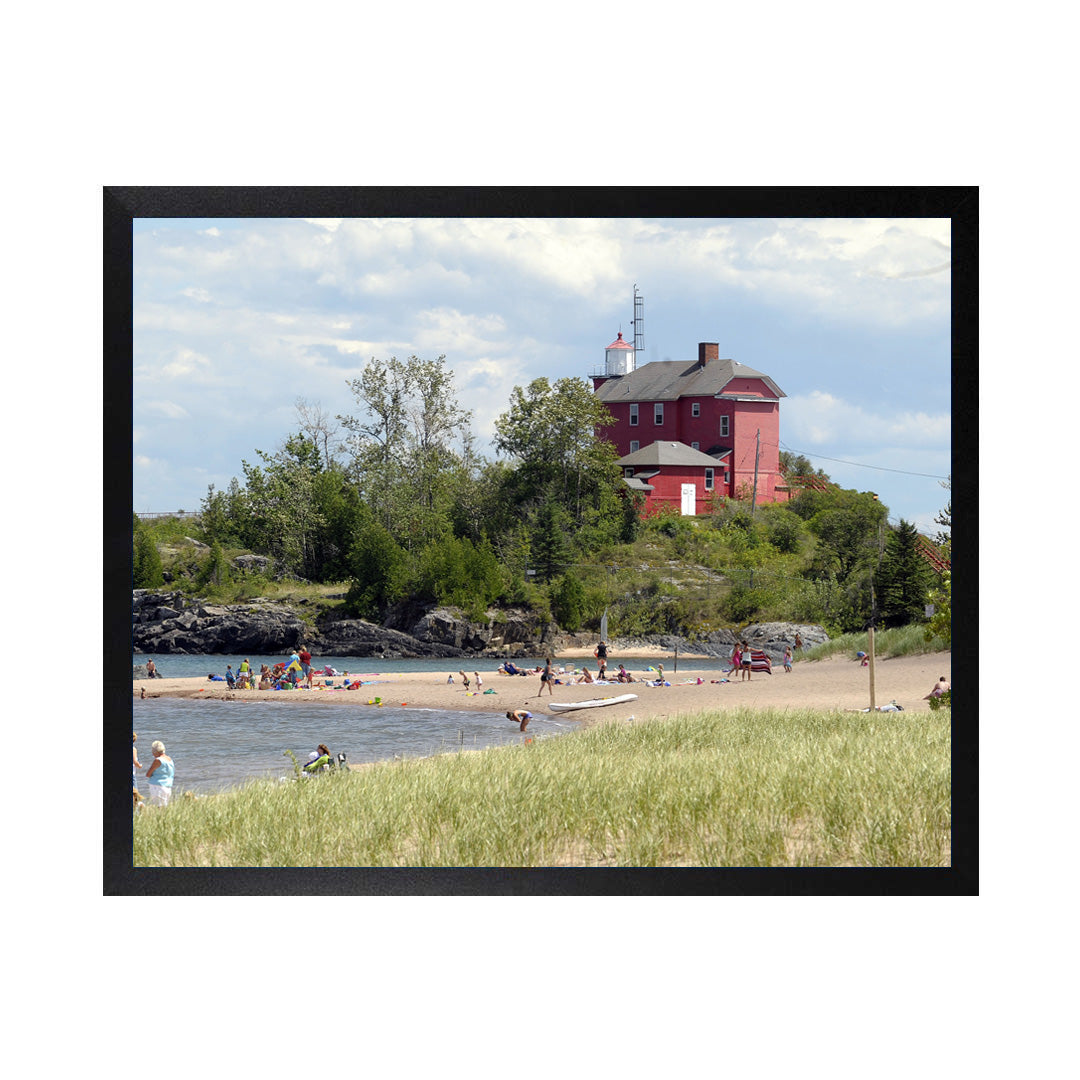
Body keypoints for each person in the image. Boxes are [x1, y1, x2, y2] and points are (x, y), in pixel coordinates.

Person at [145, 741, 175, 806]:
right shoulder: (169, 759)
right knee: (165, 806)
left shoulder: (158, 760)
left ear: (156, 752)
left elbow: (148, 774)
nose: (153, 754)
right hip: (168, 785)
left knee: (159, 807)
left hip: (157, 786)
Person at [133, 732, 143, 808]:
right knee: (135, 793)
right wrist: (139, 766)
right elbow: (135, 762)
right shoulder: (133, 749)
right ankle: (137, 810)